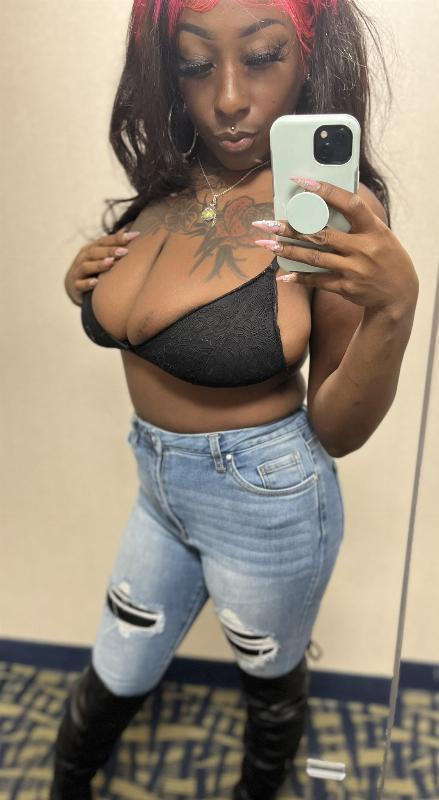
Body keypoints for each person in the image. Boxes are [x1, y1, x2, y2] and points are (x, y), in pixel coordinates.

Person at [50, 1, 419, 798]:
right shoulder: (169, 187)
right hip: (157, 489)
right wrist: (85, 284)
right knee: (117, 665)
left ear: (308, 58)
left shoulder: (322, 209)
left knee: (268, 684)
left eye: (260, 57)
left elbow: (337, 428)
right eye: (194, 65)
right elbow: (144, 311)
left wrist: (393, 311)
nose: (225, 98)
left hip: (267, 502)